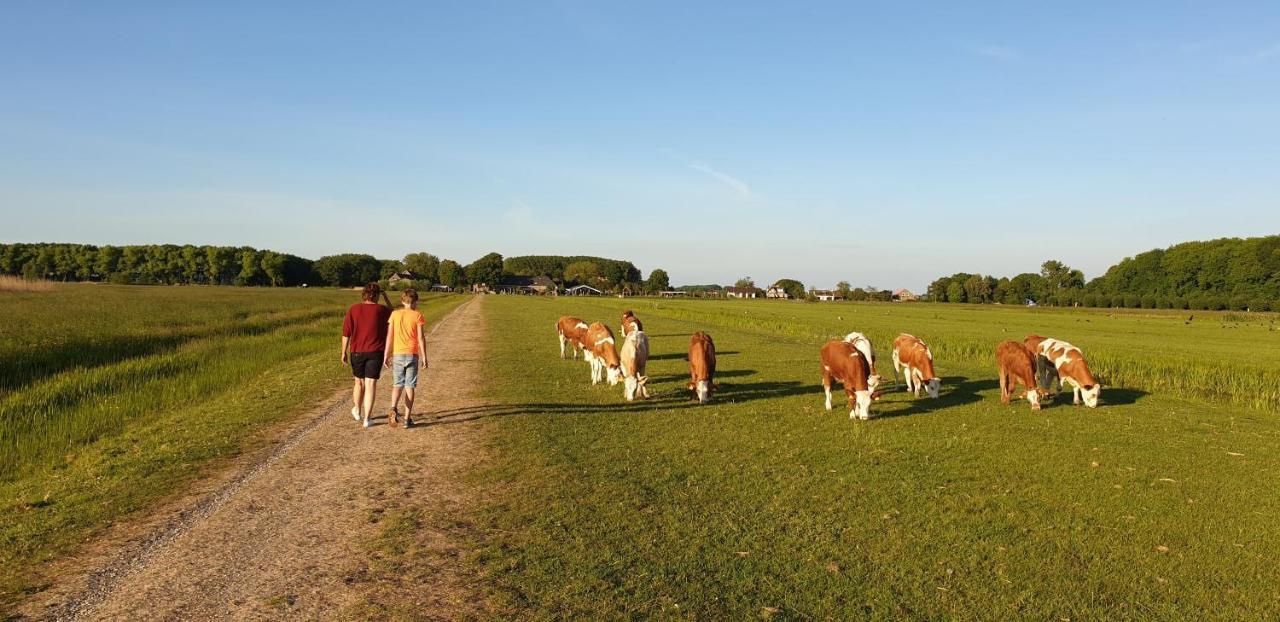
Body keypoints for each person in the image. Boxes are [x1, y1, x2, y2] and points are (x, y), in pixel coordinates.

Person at [341, 282, 393, 428]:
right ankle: (367, 419)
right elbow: (393, 312)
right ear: (377, 295)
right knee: (370, 384)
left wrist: (343, 352)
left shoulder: (354, 309)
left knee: (359, 382)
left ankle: (357, 410)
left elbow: (346, 333)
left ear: (363, 294)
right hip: (376, 352)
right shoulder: (382, 310)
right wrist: (385, 295)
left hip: (357, 352)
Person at [383, 288, 428, 428]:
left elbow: (389, 336)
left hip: (397, 354)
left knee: (397, 384)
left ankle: (393, 408)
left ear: (403, 301)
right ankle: (407, 419)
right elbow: (420, 338)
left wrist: (386, 355)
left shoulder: (395, 315)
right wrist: (424, 357)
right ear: (415, 302)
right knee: (410, 386)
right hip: (412, 354)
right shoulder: (417, 315)